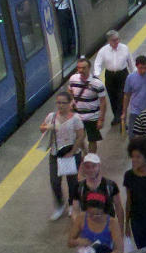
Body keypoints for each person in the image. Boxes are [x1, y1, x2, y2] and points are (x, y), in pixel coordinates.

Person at [40, 91, 86, 221]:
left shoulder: (76, 119)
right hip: (55, 154)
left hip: (71, 154)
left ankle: (72, 204)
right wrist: (46, 127)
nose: (60, 106)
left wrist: (73, 151)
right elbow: (42, 128)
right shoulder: (52, 116)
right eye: (58, 103)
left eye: (63, 103)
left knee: (72, 181)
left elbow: (81, 135)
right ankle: (60, 205)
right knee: (55, 181)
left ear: (70, 103)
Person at [93, 30, 134, 129]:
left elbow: (131, 62)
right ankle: (117, 116)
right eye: (113, 40)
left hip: (123, 74)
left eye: (117, 40)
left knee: (122, 97)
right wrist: (96, 76)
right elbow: (97, 63)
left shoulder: (125, 48)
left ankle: (121, 119)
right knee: (112, 97)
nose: (116, 42)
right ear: (108, 41)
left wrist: (135, 74)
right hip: (110, 75)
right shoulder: (103, 50)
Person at [68, 57, 107, 154]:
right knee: (78, 137)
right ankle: (85, 152)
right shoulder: (73, 79)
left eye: (83, 68)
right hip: (77, 116)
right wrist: (72, 100)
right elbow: (70, 90)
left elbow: (103, 102)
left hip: (92, 116)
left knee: (92, 139)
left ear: (89, 68)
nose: (81, 70)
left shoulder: (97, 83)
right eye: (79, 68)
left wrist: (101, 119)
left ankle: (91, 157)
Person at [74, 153, 124, 221]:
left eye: (94, 166)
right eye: (87, 167)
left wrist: (120, 229)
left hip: (108, 226)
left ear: (99, 166)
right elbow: (75, 211)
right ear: (84, 168)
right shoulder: (79, 187)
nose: (91, 170)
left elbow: (119, 208)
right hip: (89, 227)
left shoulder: (111, 186)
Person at [121, 55, 146, 136]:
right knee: (132, 136)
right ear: (136, 66)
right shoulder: (130, 78)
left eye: (145, 68)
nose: (143, 70)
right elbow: (127, 95)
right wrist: (124, 112)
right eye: (140, 68)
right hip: (135, 111)